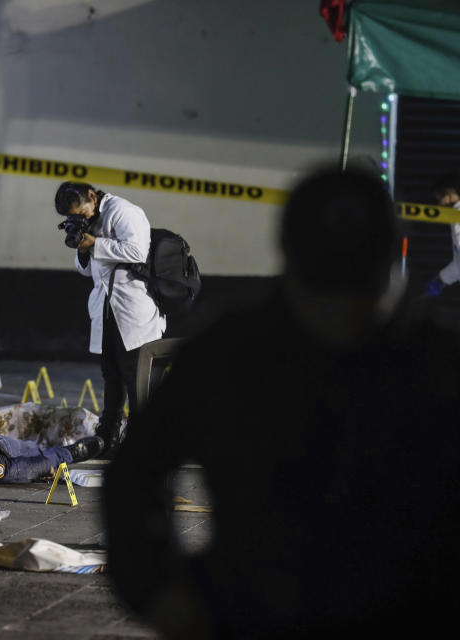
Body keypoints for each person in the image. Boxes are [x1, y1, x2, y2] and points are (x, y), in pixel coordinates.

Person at [103, 168, 460, 639]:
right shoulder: (229, 354)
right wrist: (159, 591)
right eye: (326, 295)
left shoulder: (439, 363)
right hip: (257, 607)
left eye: (358, 295)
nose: (341, 318)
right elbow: (134, 473)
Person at [54, 182, 164, 453]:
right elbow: (87, 271)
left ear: (92, 196)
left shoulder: (124, 212)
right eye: (74, 217)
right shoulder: (88, 220)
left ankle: (144, 442)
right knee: (111, 374)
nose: (82, 219)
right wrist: (83, 249)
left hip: (132, 309)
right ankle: (108, 437)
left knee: (135, 377)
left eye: (82, 212)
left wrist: (95, 242)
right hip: (106, 307)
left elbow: (138, 251)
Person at [423, 170, 460, 296]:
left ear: (449, 193)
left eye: (440, 198)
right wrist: (441, 280)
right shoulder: (455, 216)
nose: (440, 204)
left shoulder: (457, 216)